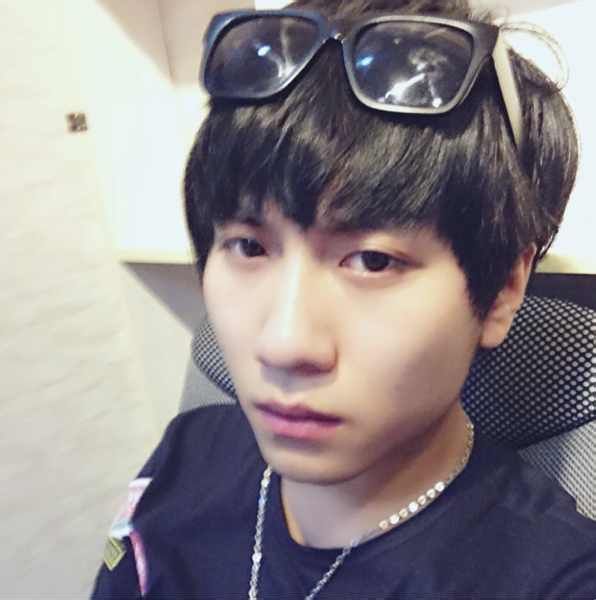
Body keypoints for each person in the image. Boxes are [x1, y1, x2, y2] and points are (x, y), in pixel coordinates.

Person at [92, 0, 596, 598]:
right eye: (249, 247)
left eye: (372, 261)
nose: (283, 344)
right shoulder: (186, 454)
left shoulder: (553, 578)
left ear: (503, 290)